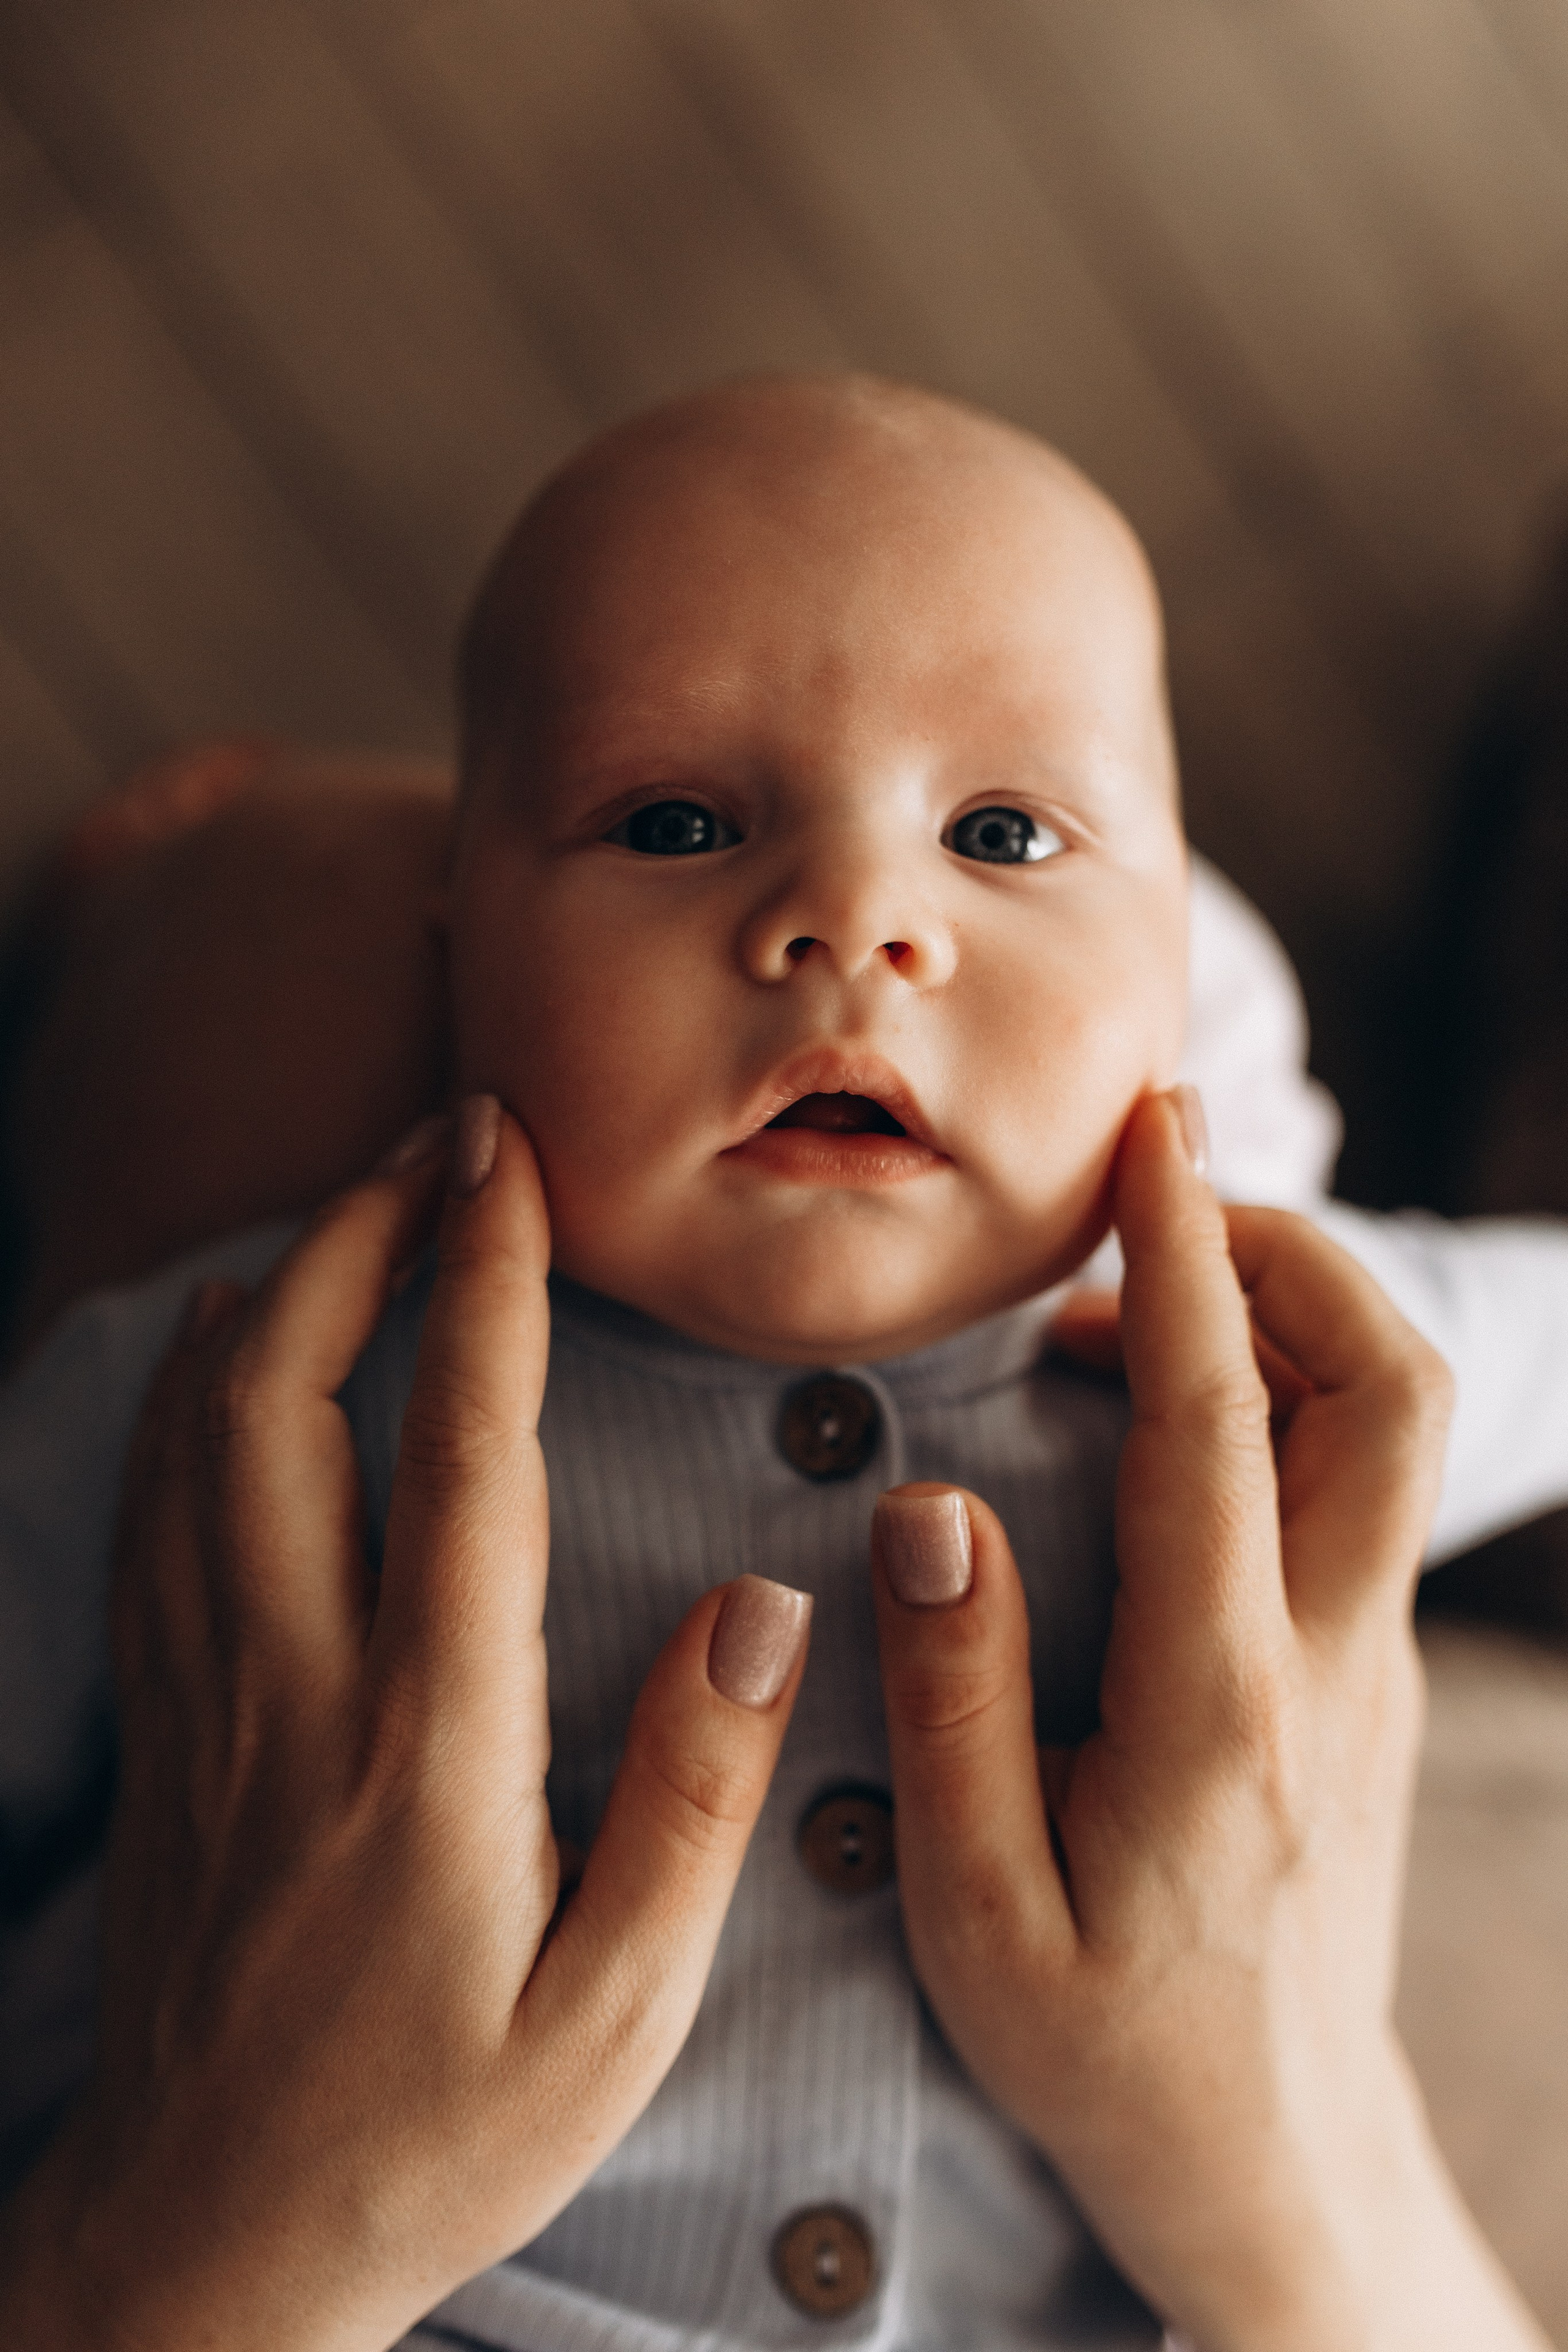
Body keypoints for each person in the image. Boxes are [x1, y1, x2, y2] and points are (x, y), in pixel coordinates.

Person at [2, 374, 1564, 2348]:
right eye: (676, 822)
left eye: (1002, 832)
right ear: (459, 944)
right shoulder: (267, 1389)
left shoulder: (1280, 1351)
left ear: (1183, 965)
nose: (855, 917)